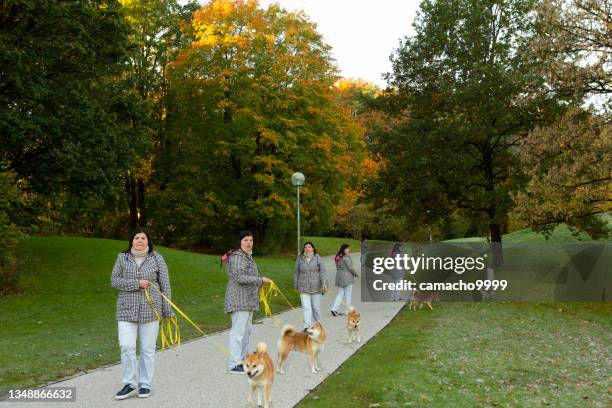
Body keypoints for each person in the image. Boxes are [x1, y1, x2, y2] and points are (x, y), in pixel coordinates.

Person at [111, 227, 173, 400]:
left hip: (151, 310)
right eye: (136, 237)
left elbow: (165, 285)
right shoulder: (122, 258)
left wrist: (167, 310)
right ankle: (129, 383)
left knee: (147, 349)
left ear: (148, 241)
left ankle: (145, 384)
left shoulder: (157, 258)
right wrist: (137, 283)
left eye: (143, 238)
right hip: (126, 310)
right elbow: (114, 281)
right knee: (127, 346)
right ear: (132, 241)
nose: (140, 240)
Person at [224, 231, 272, 374]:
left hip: (248, 301)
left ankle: (244, 361)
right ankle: (234, 364)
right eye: (246, 240)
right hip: (239, 300)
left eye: (251, 240)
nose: (249, 242)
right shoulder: (238, 256)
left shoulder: (248, 257)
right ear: (240, 242)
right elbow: (239, 277)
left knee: (246, 332)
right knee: (238, 333)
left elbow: (248, 277)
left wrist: (260, 283)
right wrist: (260, 280)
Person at [294, 241, 328, 330]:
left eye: (309, 247)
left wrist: (324, 284)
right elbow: (296, 272)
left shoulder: (318, 258)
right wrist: (296, 284)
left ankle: (318, 325)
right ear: (304, 249)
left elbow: (323, 272)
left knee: (316, 308)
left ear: (313, 248)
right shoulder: (300, 258)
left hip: (316, 288)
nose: (307, 248)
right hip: (303, 287)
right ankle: (307, 327)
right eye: (305, 247)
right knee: (306, 308)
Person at [331, 244, 359, 316]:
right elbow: (350, 268)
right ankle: (348, 311)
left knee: (340, 294)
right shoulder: (345, 257)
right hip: (347, 277)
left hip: (339, 276)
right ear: (344, 249)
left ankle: (334, 309)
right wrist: (356, 274)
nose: (348, 250)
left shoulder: (338, 257)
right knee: (348, 295)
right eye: (347, 249)